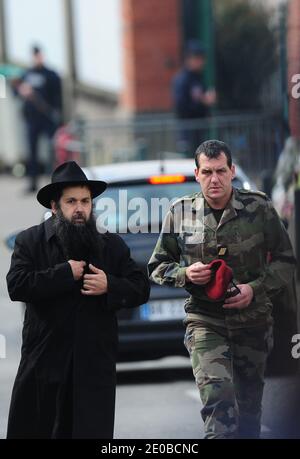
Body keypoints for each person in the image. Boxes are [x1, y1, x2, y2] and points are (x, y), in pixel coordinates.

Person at [148, 140, 296, 439]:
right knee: (219, 400)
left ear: (232, 171)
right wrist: (185, 273)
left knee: (249, 413)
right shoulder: (181, 212)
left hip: (252, 322)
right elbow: (157, 266)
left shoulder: (260, 207)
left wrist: (255, 289)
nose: (213, 179)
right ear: (197, 174)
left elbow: (286, 261)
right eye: (206, 172)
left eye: (220, 171)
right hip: (205, 321)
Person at [6, 161, 150, 439]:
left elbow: (140, 288)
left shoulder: (111, 245)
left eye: (85, 201)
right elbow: (17, 285)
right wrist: (63, 274)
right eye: (71, 201)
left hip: (93, 370)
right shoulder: (30, 242)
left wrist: (110, 285)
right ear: (55, 206)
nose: (80, 208)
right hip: (44, 367)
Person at [14, 45, 62, 192]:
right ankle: (32, 183)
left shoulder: (50, 74)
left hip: (47, 119)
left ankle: (56, 182)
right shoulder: (26, 74)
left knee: (52, 151)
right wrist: (21, 90)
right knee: (32, 153)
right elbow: (15, 90)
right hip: (31, 120)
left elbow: (57, 96)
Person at [172, 41, 216, 155]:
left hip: (199, 130)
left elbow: (204, 98)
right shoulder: (182, 79)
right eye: (197, 58)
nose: (201, 62)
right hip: (187, 131)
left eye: (201, 58)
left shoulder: (199, 78)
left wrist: (207, 103)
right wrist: (201, 101)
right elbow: (180, 106)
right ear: (189, 59)